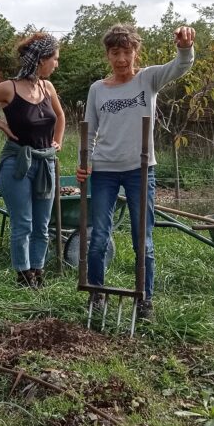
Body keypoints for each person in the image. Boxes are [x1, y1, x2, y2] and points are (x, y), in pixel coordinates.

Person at [76, 23, 196, 319]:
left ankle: (145, 300)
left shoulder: (148, 79)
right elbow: (89, 129)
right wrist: (85, 161)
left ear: (135, 53)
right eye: (115, 52)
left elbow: (181, 65)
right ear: (107, 54)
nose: (121, 59)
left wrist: (184, 46)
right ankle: (96, 295)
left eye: (126, 52)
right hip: (104, 170)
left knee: (142, 239)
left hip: (140, 170)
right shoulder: (97, 89)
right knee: (99, 237)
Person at [0, 32, 65, 288]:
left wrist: (57, 141)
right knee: (23, 222)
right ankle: (23, 276)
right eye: (54, 59)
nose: (56, 64)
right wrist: (3, 126)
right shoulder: (9, 87)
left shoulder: (47, 88)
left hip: (45, 163)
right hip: (17, 163)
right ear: (40, 59)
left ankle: (38, 273)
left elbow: (59, 116)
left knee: (42, 225)